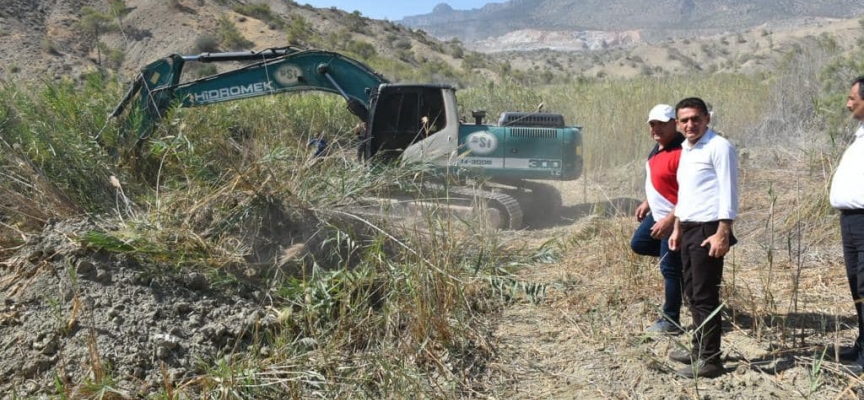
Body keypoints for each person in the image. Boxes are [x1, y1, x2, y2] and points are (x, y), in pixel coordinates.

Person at [668, 97, 739, 379]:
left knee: (705, 295)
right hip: (688, 228)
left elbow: (729, 192)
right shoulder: (686, 149)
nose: (690, 125)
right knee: (691, 294)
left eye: (695, 118)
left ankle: (710, 360)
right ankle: (698, 349)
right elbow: (686, 194)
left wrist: (723, 232)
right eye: (684, 120)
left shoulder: (719, 147)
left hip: (709, 229)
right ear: (677, 123)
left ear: (707, 118)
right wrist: (676, 227)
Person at [630, 104, 685, 335]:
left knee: (670, 269)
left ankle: (670, 321)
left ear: (675, 123)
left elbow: (690, 193)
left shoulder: (683, 152)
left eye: (662, 123)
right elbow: (661, 180)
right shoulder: (658, 147)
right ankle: (684, 263)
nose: (656, 128)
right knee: (639, 243)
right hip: (658, 214)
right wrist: (648, 201)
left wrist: (670, 221)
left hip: (675, 220)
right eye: (653, 124)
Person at [829, 75, 864, 374]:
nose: (848, 102)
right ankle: (863, 344)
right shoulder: (860, 133)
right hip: (851, 222)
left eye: (853, 97)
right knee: (857, 284)